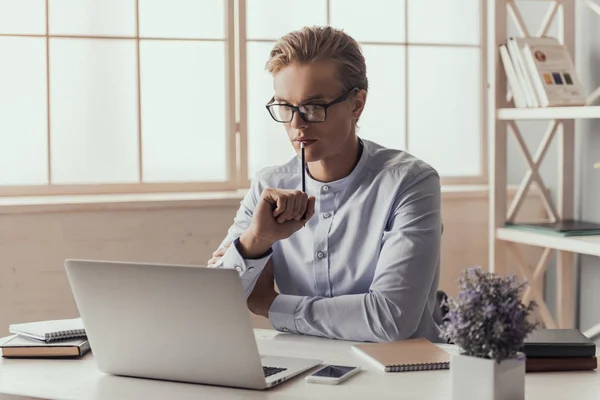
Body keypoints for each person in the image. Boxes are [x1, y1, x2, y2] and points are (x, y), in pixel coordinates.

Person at [209, 26, 443, 343]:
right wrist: (257, 239)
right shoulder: (268, 185)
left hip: (397, 374)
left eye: (313, 107)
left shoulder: (410, 183)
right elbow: (214, 302)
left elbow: (390, 318)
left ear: (357, 104)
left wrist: (270, 304)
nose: (296, 125)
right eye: (285, 107)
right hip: (303, 368)